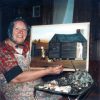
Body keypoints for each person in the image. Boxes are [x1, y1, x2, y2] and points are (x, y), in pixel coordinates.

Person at [0, 17, 63, 100]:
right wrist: (48, 71)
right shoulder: (3, 49)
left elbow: (43, 56)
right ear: (10, 31)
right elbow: (17, 78)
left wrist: (56, 62)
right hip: (15, 90)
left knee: (61, 94)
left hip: (36, 84)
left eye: (24, 29)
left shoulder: (28, 44)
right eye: (17, 29)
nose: (21, 32)